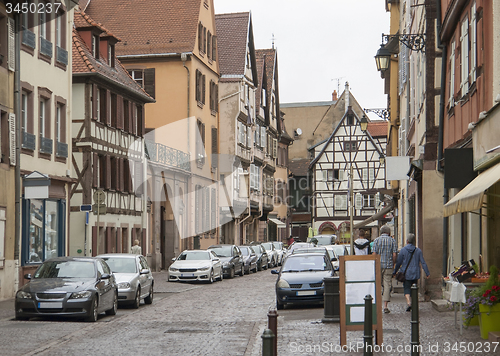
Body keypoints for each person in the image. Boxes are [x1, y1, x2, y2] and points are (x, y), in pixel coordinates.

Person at [393, 233, 430, 312]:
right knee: (414, 289)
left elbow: (398, 262)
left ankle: (409, 303)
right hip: (416, 273)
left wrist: (394, 272)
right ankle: (414, 304)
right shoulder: (418, 251)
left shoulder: (403, 250)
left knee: (406, 288)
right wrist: (427, 272)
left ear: (407, 241)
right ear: (414, 241)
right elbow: (423, 262)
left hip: (406, 273)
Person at [372, 225, 398, 314]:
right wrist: (393, 263)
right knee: (387, 285)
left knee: (377, 284)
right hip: (388, 265)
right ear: (388, 232)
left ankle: (376, 305)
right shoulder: (392, 241)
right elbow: (394, 255)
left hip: (378, 265)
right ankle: (385, 306)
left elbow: (374, 254)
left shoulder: (376, 240)